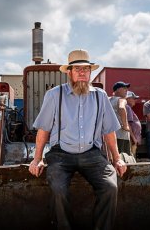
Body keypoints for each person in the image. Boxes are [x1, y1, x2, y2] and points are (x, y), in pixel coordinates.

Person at [28, 49, 127, 230]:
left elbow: (109, 131)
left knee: (110, 187)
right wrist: (37, 159)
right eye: (77, 69)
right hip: (60, 155)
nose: (82, 72)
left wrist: (117, 158)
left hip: (92, 154)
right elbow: (44, 129)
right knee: (58, 189)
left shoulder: (100, 96)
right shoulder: (54, 95)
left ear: (90, 72)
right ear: (69, 72)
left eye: (86, 69)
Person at [109, 81, 131, 155]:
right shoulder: (121, 99)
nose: (126, 90)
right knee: (124, 160)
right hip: (121, 136)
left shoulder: (108, 100)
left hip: (109, 136)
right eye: (124, 88)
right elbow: (121, 108)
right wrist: (125, 125)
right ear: (117, 89)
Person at [126, 91, 142, 157]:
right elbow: (128, 124)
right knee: (131, 157)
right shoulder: (127, 107)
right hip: (131, 139)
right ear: (128, 99)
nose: (135, 100)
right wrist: (133, 138)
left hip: (132, 139)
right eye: (133, 98)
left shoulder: (129, 108)